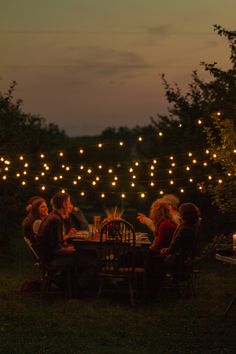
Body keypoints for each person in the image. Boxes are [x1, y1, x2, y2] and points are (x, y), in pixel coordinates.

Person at [38, 192, 99, 296]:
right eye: (69, 202)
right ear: (64, 204)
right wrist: (74, 250)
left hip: (49, 256)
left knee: (90, 254)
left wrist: (71, 247)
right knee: (94, 261)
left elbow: (57, 242)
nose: (71, 205)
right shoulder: (55, 220)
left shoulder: (54, 216)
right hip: (52, 259)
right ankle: (79, 290)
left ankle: (86, 287)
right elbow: (56, 250)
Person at [144, 200, 177, 299]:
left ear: (156, 212)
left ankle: (139, 286)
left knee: (135, 255)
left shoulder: (164, 225)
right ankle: (133, 282)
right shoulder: (167, 222)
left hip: (162, 256)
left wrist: (146, 250)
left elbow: (158, 246)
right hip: (166, 254)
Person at [160, 203, 201, 277]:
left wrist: (166, 250)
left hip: (178, 261)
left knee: (153, 259)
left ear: (184, 215)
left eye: (180, 212)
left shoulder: (184, 229)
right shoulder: (192, 227)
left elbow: (174, 247)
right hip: (185, 259)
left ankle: (155, 284)